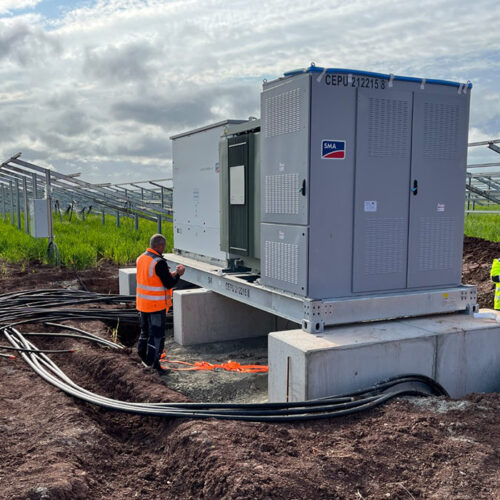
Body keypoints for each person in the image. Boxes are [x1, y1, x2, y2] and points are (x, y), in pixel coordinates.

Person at [136, 233, 185, 373]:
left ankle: (142, 358)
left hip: (143, 304)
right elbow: (168, 284)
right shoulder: (159, 262)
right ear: (160, 246)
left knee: (145, 333)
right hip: (156, 306)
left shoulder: (141, 258)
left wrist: (172, 273)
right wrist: (178, 275)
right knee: (156, 336)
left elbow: (154, 279)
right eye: (164, 246)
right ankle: (154, 365)